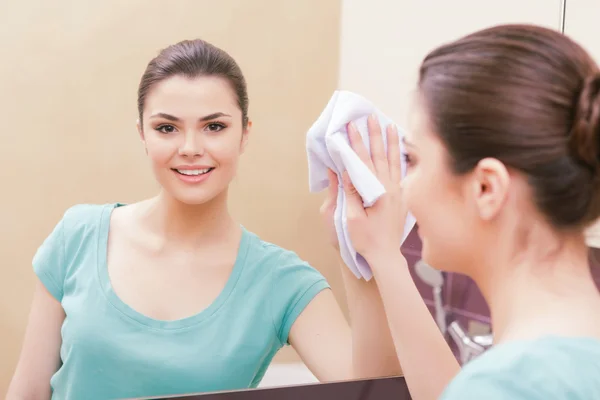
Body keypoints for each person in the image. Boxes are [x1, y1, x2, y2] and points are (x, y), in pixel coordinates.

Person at [6, 39, 401, 400]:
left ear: (244, 134)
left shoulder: (283, 283)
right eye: (167, 128)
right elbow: (28, 390)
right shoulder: (78, 236)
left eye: (214, 126)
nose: (191, 148)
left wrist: (360, 251)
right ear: (142, 134)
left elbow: (369, 391)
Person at [328, 24, 600, 399]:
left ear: (487, 188)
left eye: (415, 159)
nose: (405, 187)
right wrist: (383, 256)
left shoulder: (506, 385)